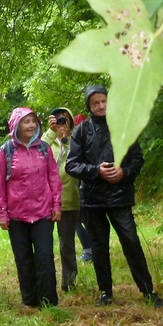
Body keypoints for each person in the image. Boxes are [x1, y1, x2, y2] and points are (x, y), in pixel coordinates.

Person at [65, 85, 163, 308]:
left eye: (104, 101)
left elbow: (137, 159)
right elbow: (72, 165)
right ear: (89, 106)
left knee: (131, 241)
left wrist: (123, 173)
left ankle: (148, 291)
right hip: (92, 199)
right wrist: (96, 171)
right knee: (99, 246)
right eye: (95, 103)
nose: (101, 106)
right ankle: (105, 292)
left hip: (120, 197)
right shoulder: (81, 131)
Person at [0, 108, 61, 309]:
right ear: (16, 126)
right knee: (23, 259)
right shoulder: (5, 151)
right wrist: (2, 213)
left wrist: (56, 204)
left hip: (43, 213)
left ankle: (49, 301)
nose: (31, 125)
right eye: (26, 122)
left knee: (45, 256)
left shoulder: (44, 149)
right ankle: (29, 300)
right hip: (16, 216)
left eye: (33, 121)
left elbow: (54, 178)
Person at [44, 107, 81, 292]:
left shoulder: (75, 140)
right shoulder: (46, 140)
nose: (61, 122)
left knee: (67, 243)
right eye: (57, 118)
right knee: (44, 243)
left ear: (71, 122)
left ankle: (69, 282)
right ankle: (45, 280)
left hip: (68, 199)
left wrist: (66, 139)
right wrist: (51, 132)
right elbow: (37, 152)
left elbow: (75, 160)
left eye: (65, 119)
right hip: (45, 200)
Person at [72, 113, 93, 263]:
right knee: (84, 219)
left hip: (85, 189)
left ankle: (89, 250)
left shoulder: (81, 143)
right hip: (83, 187)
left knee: (78, 219)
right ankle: (93, 248)